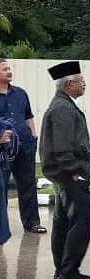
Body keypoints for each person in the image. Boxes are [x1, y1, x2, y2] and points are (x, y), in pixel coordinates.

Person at [38, 61, 90, 279]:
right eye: (81, 80)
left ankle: (63, 270)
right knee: (81, 222)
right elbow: (62, 147)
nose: (84, 84)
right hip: (70, 175)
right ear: (69, 84)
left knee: (63, 223)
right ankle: (67, 274)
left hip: (63, 175)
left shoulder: (63, 104)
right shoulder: (63, 108)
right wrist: (75, 172)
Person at [0, 58, 46, 234]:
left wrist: (33, 136)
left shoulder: (20, 93)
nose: (9, 71)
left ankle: (32, 222)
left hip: (25, 147)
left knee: (28, 185)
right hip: (3, 150)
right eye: (5, 69)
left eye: (9, 68)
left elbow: (28, 116)